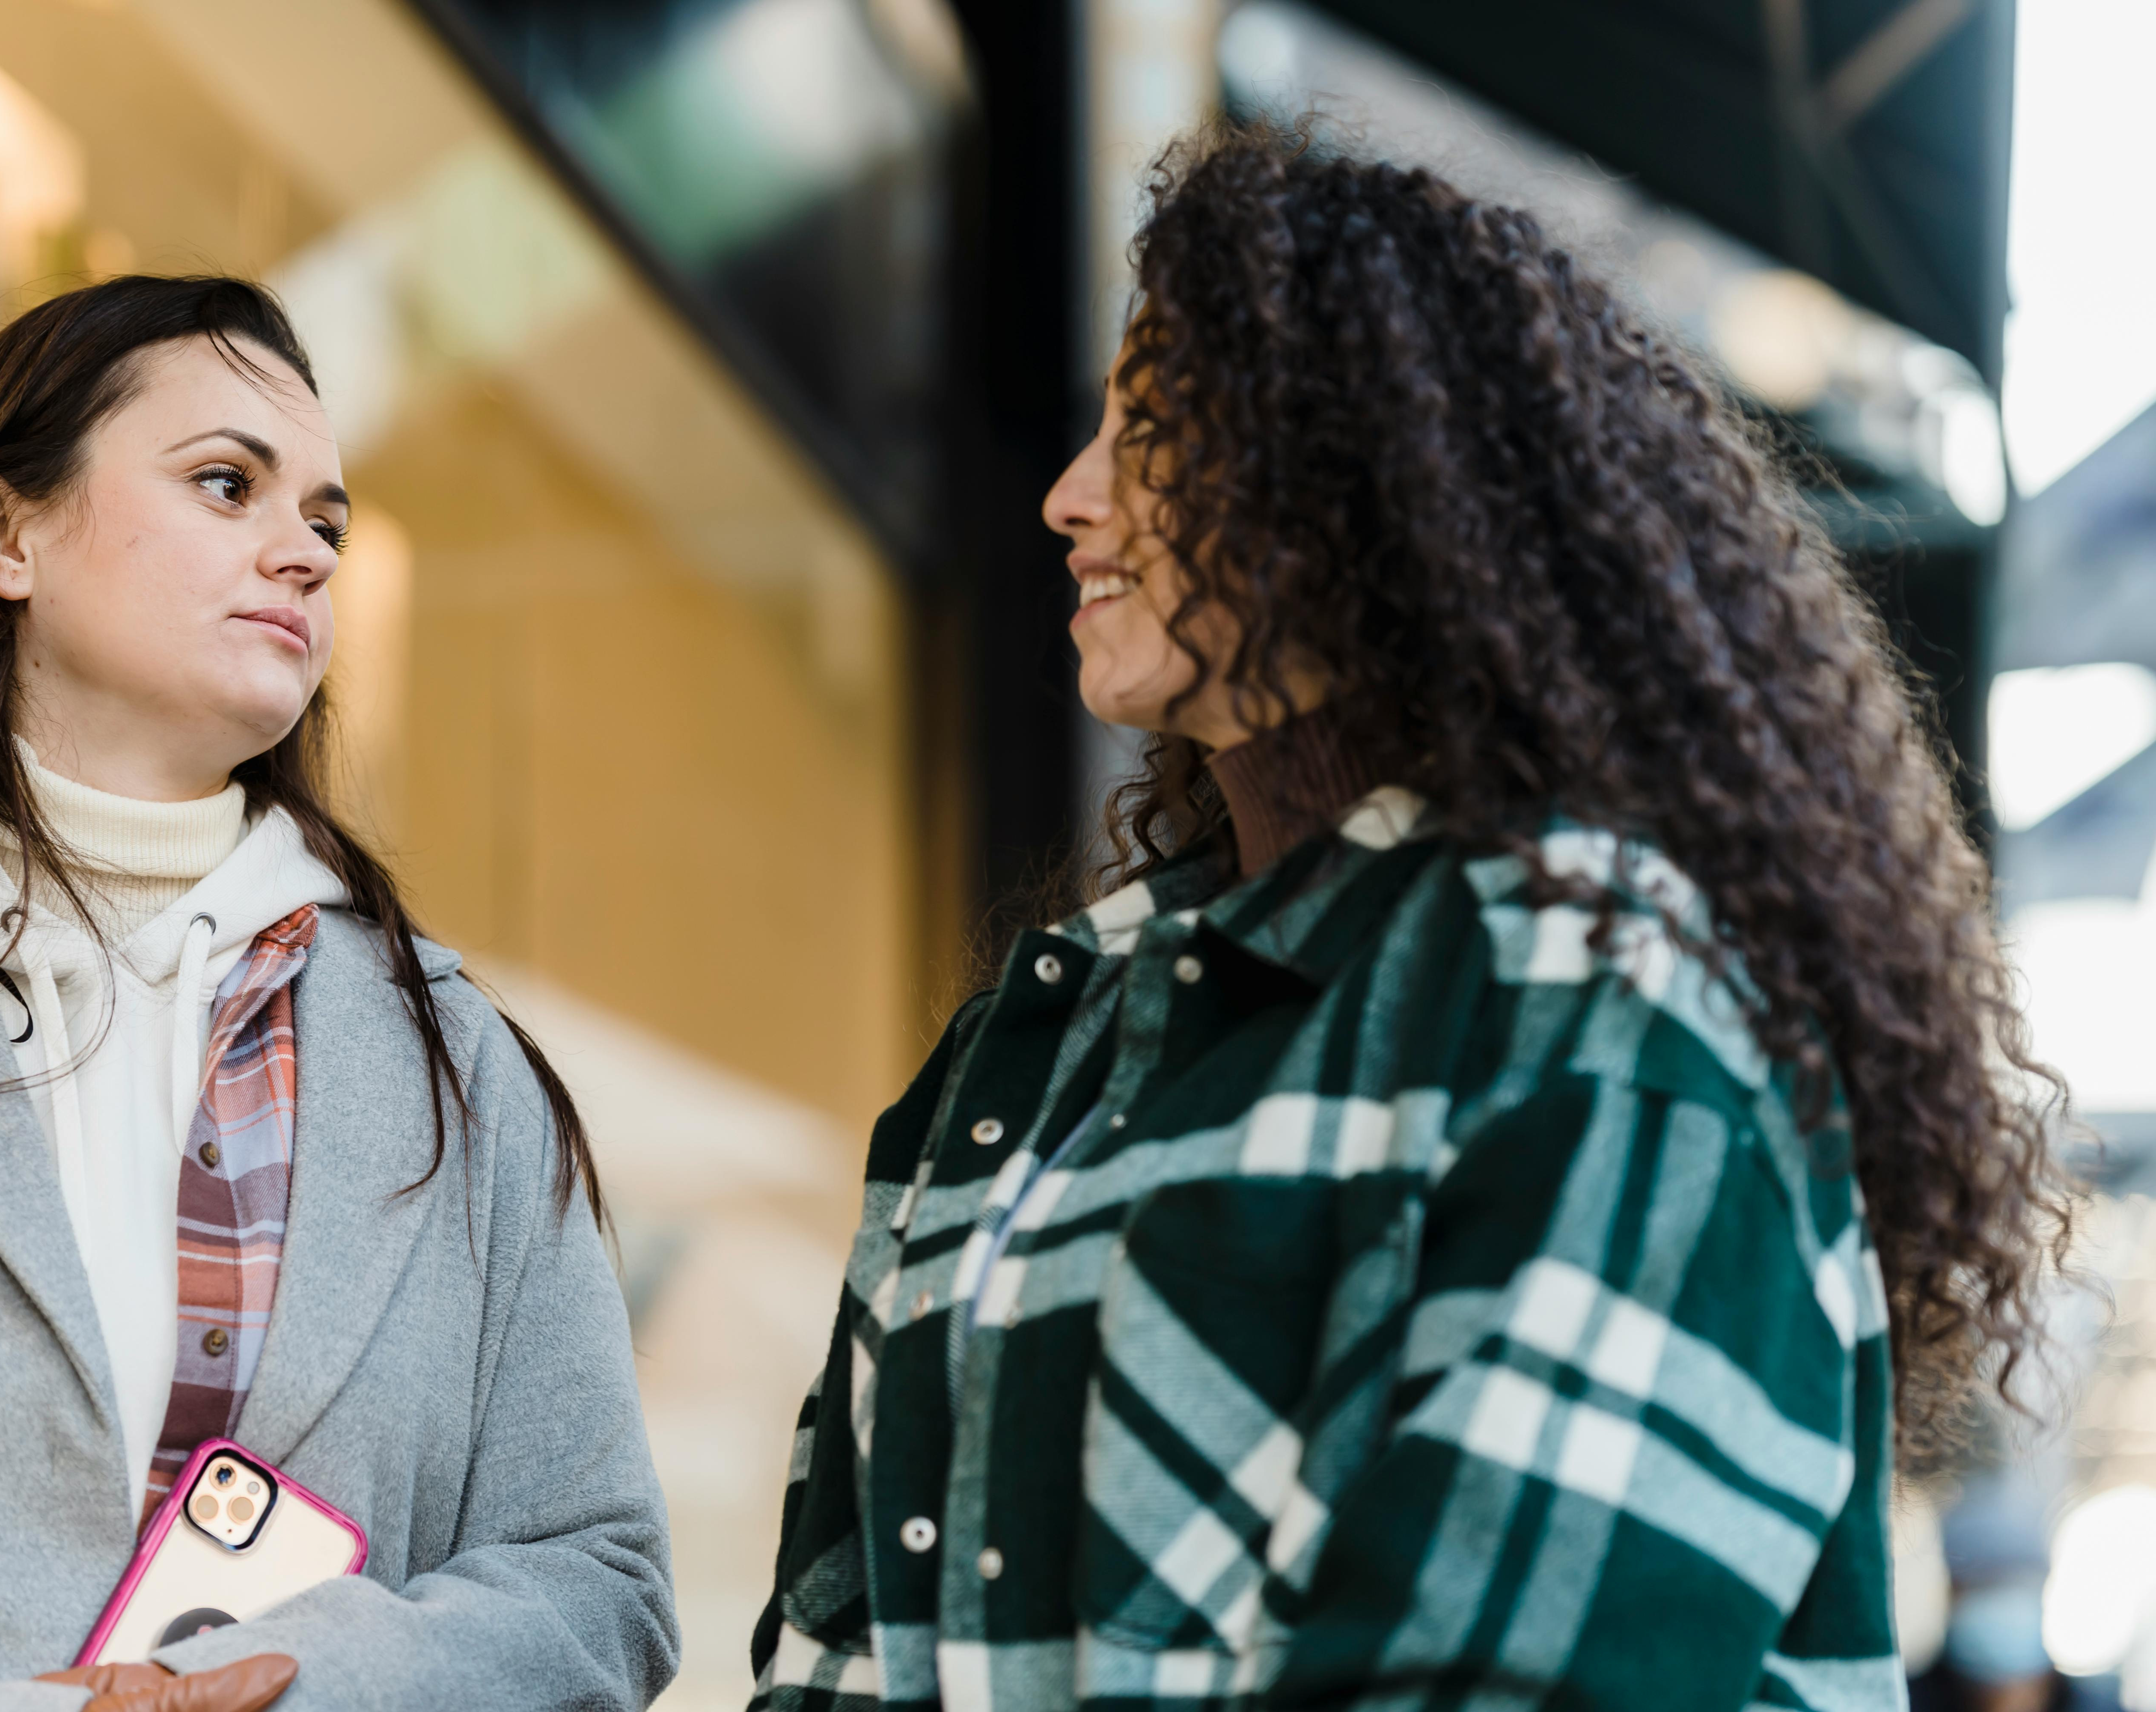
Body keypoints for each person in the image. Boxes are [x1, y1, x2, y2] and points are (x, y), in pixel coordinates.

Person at [749, 127, 2066, 1712]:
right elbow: (833, 1658)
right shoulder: (1025, 1053)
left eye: (1155, 426)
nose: (1068, 498)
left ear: (1378, 470)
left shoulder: (1610, 1001)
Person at [0, 276, 677, 1712]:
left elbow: (595, 1577)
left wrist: (301, 1688)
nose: (302, 552)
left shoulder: (460, 1069)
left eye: (327, 524)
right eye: (228, 485)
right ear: (2, 533)